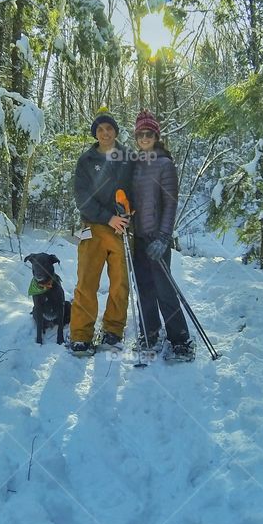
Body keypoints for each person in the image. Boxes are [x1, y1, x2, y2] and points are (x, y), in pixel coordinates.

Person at [68, 108, 135, 356]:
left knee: (120, 283)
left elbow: (137, 188)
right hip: (93, 227)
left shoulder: (128, 157)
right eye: (100, 129)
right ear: (95, 134)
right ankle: (80, 335)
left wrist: (129, 213)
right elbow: (81, 196)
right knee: (87, 282)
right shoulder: (86, 161)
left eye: (109, 128)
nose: (105, 133)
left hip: (122, 230)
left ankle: (113, 330)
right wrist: (108, 217)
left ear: (116, 131)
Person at [130, 110, 193, 360]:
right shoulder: (135, 164)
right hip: (138, 237)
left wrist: (164, 237)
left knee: (164, 289)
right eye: (140, 134)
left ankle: (180, 340)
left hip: (157, 238)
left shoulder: (165, 164)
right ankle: (150, 332)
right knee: (144, 287)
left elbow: (170, 204)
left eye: (149, 133)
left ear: (156, 135)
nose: (144, 137)